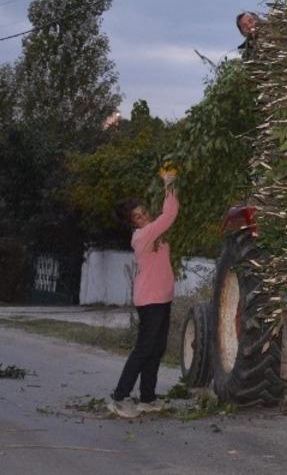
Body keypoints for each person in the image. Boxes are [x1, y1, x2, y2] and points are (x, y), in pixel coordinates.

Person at [106, 167, 179, 418]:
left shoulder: (153, 233)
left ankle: (148, 397)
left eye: (144, 212)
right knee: (144, 348)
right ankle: (119, 397)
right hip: (150, 300)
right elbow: (169, 215)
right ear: (132, 223)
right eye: (138, 217)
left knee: (156, 349)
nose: (144, 217)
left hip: (162, 297)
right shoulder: (142, 236)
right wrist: (169, 184)